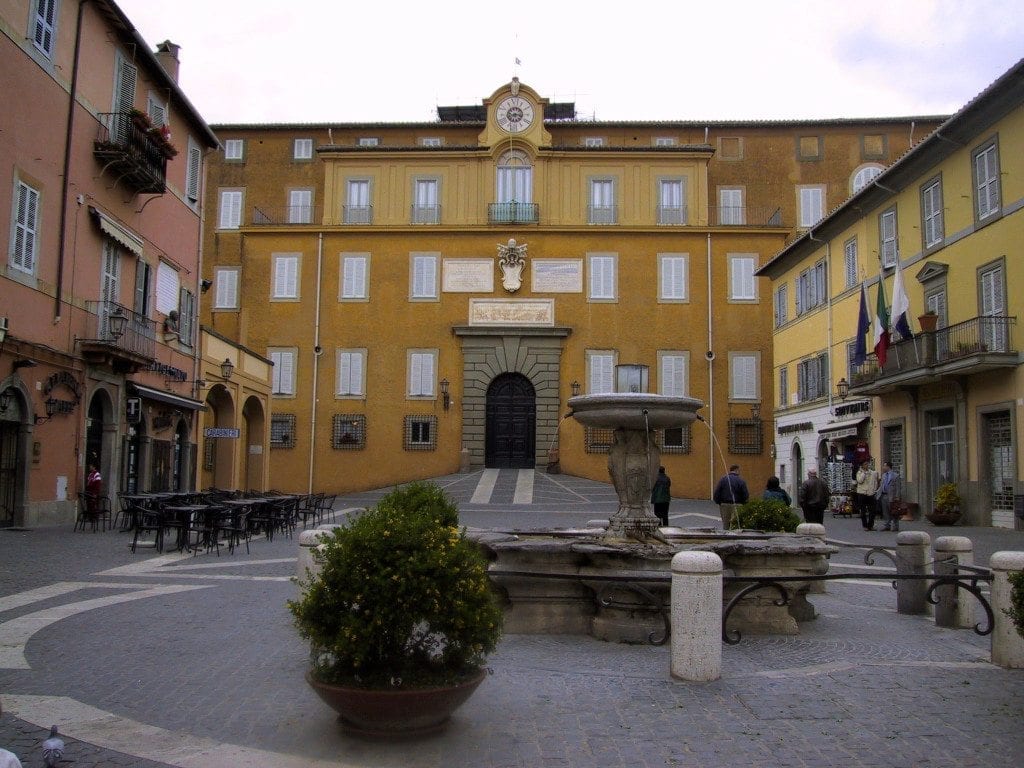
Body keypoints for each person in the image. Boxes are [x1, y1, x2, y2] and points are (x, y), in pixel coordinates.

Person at [713, 465, 749, 529]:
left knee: (726, 524)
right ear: (737, 470)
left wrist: (719, 502)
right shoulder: (741, 481)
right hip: (737, 505)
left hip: (725, 504)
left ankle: (726, 537)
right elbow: (745, 495)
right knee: (735, 525)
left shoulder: (723, 479)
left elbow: (717, 492)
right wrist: (743, 503)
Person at [876, 461, 903, 532]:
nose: (883, 467)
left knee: (894, 511)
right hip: (884, 495)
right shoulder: (883, 475)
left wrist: (897, 496)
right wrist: (877, 493)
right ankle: (887, 525)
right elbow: (881, 486)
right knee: (885, 512)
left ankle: (895, 526)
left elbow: (898, 487)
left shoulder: (895, 476)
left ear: (888, 467)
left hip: (892, 496)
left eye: (884, 466)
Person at [854, 460, 880, 531]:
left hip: (871, 493)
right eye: (865, 464)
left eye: (867, 464)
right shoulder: (859, 473)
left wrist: (875, 489)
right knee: (863, 511)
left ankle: (870, 525)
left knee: (872, 510)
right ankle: (865, 526)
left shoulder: (872, 473)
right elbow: (860, 481)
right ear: (862, 466)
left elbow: (876, 481)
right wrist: (864, 473)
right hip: (862, 493)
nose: (867, 466)